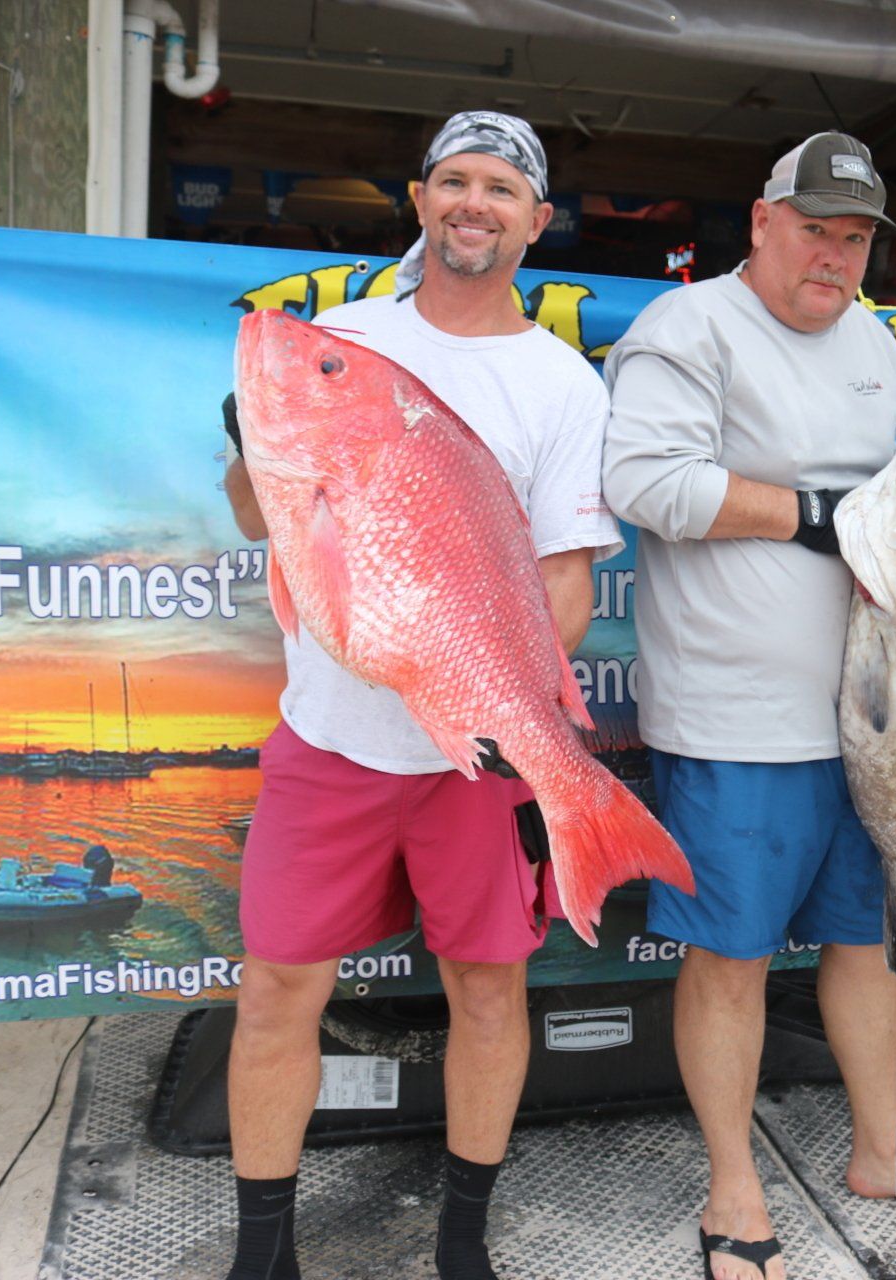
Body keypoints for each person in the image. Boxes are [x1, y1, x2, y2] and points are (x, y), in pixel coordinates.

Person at [220, 110, 621, 1280]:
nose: (474, 203)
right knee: (278, 986)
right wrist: (254, 441)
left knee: (489, 991)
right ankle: (262, 1254)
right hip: (329, 737)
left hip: (472, 758)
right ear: (419, 197)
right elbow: (261, 513)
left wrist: (503, 710)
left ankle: (461, 1243)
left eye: (501, 186)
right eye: (455, 180)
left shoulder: (560, 384)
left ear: (536, 220)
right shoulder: (340, 340)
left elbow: (564, 582)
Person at [603, 131, 896, 1280]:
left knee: (868, 945)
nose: (835, 253)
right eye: (815, 226)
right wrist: (814, 516)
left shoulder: (871, 340)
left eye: (856, 234)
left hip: (875, 722)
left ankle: (882, 1147)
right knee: (732, 956)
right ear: (761, 220)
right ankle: (733, 1186)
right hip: (734, 721)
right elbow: (641, 480)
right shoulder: (686, 329)